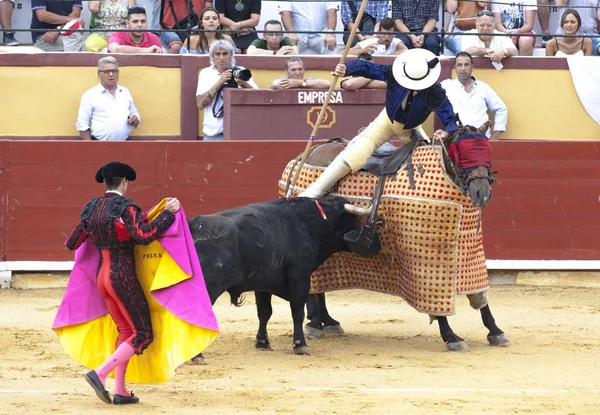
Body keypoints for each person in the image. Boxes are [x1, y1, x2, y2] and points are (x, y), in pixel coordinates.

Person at [65, 161, 180, 405]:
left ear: (105, 183)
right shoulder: (126, 208)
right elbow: (144, 236)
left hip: (102, 279)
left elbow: (72, 242)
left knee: (126, 331)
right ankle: (100, 372)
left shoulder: (90, 209)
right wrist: (168, 214)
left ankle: (120, 391)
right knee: (143, 334)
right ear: (125, 182)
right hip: (122, 276)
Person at [300, 48, 459, 199]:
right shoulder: (394, 73)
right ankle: (313, 192)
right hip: (386, 121)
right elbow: (367, 67)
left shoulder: (435, 91)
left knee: (429, 165)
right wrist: (347, 69)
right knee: (354, 154)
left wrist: (448, 131)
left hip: (411, 128)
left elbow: (449, 117)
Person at [196, 39, 258, 140]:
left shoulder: (240, 71)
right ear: (212, 57)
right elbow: (200, 104)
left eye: (225, 54)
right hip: (213, 134)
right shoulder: (206, 73)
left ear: (231, 55)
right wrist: (220, 81)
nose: (221, 58)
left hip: (239, 132)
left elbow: (258, 98)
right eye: (217, 54)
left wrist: (244, 84)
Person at [441, 52, 508, 140]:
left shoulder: (483, 87)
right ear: (455, 67)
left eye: (467, 65)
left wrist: (496, 135)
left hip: (482, 138)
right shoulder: (447, 86)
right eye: (459, 65)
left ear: (472, 67)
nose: (463, 68)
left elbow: (501, 109)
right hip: (457, 139)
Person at [76, 57, 141, 141]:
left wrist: (135, 118)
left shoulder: (125, 92)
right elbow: (82, 123)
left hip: (124, 145)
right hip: (99, 145)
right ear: (99, 74)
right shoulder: (90, 95)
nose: (111, 74)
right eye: (106, 72)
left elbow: (134, 112)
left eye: (114, 71)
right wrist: (90, 147)